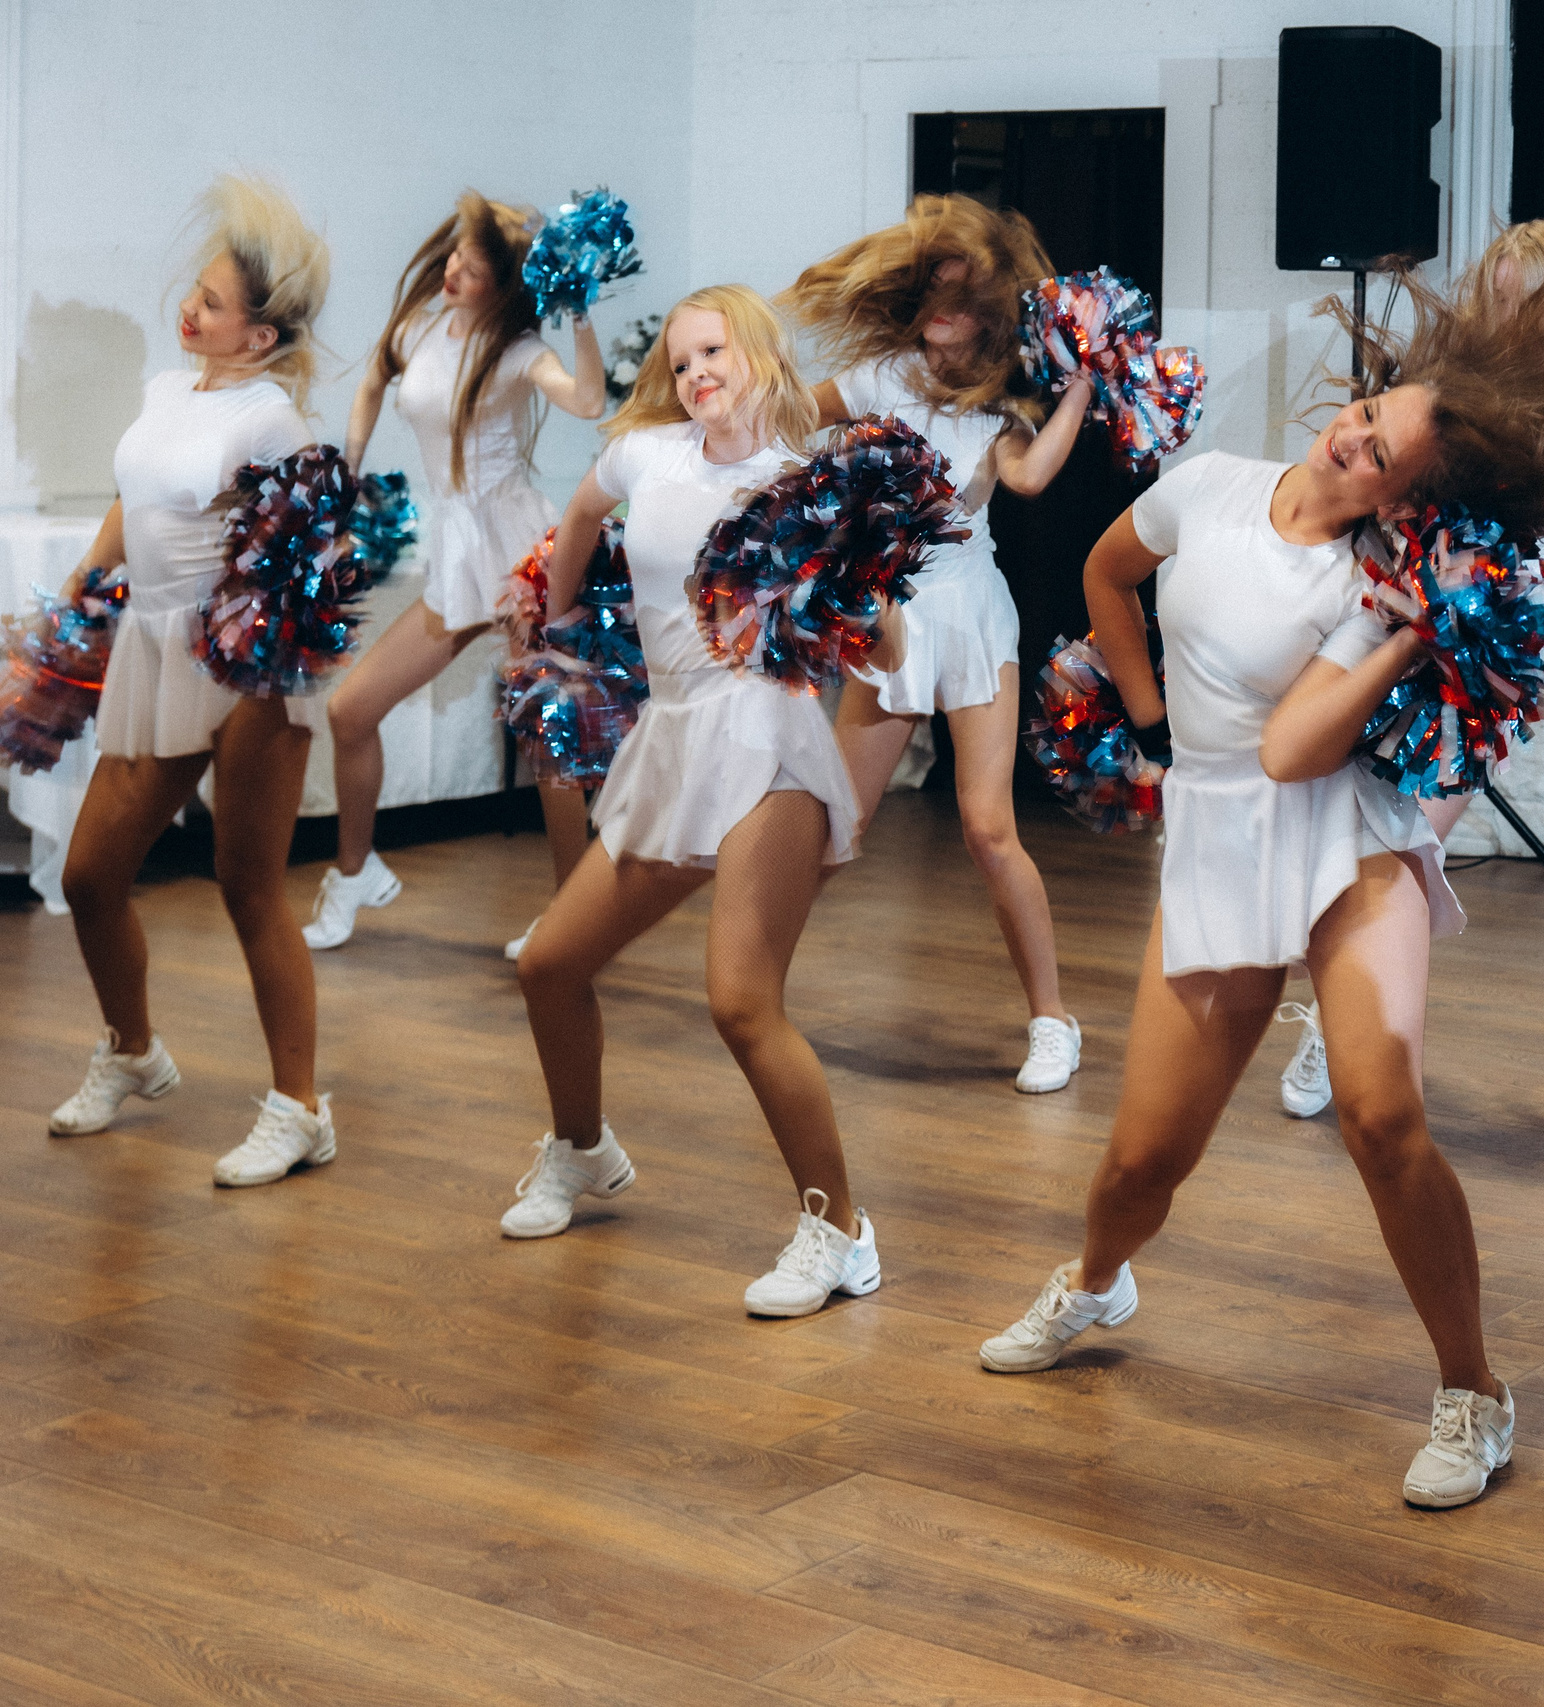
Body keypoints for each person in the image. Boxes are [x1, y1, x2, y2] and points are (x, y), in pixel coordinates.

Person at [974, 258, 1544, 1507]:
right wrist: (1141, 712)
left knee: (1379, 1112)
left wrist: (1414, 619)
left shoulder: (1374, 581)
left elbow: (1301, 748)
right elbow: (1103, 574)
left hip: (1346, 836)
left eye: (1384, 462)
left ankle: (1474, 1393)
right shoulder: (1204, 489)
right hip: (1218, 835)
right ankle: (1094, 1281)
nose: (1356, 444)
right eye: (1367, 418)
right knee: (1141, 1164)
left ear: (1411, 500)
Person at [505, 285, 904, 1319]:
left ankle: (839, 1231)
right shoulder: (648, 454)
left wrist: (845, 586)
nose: (696, 376)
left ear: (758, 355)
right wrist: (555, 625)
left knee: (739, 1000)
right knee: (550, 964)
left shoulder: (805, 480)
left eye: (713, 352)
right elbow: (584, 515)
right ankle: (583, 1149)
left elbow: (891, 647)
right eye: (681, 363)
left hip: (765, 733)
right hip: (672, 736)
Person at [1273, 219, 1544, 1169]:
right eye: (1494, 295)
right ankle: (1343, 1030)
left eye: (1525, 298)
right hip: (1483, 636)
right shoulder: (1458, 402)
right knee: (1409, 838)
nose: (1506, 315)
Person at [47, 176, 340, 1187]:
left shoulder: (271, 423)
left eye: (213, 304)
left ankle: (299, 1109)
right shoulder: (168, 394)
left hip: (248, 666)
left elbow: (317, 555)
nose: (191, 310)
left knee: (247, 883)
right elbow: (134, 506)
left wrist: (266, 647)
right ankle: (133, 1051)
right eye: (196, 293)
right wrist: (79, 599)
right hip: (151, 649)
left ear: (257, 339)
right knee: (88, 875)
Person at [778, 196, 1092, 1093]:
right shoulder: (879, 378)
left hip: (970, 615)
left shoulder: (999, 404)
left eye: (960, 292)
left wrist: (1077, 390)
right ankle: (755, 980)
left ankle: (1053, 1019)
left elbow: (1028, 477)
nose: (941, 307)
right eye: (930, 289)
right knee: (842, 824)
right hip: (885, 616)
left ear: (991, 310)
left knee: (990, 830)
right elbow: (793, 418)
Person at [304, 191, 607, 955]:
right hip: (457, 553)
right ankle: (354, 872)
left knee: (547, 739)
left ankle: (572, 917)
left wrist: (578, 314)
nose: (452, 273)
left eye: (471, 271)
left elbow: (589, 399)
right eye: (454, 259)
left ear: (504, 287)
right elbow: (375, 377)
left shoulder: (516, 352)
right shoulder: (419, 326)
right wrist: (348, 469)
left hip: (518, 550)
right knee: (349, 713)